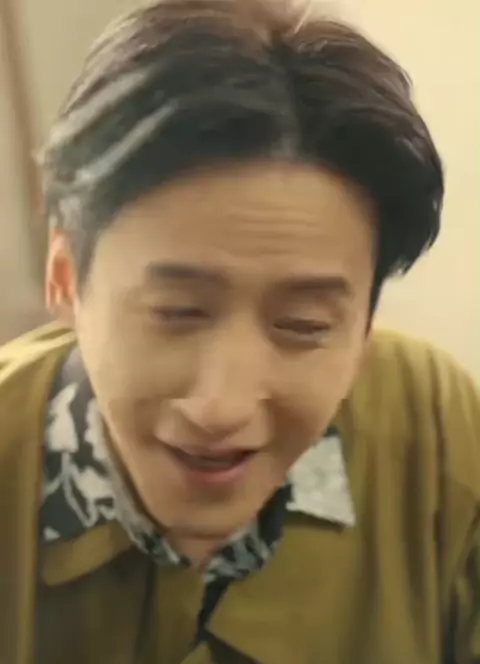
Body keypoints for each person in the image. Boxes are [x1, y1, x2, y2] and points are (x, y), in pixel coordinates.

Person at [1, 0, 479, 662]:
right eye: (177, 311)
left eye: (304, 325)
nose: (220, 407)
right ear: (64, 280)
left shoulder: (438, 428)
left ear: (364, 331)